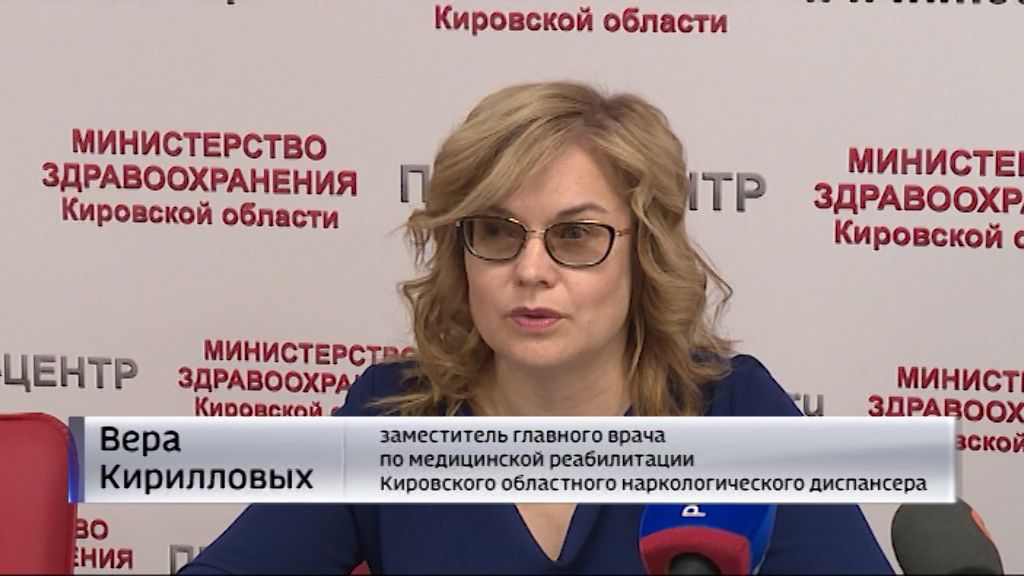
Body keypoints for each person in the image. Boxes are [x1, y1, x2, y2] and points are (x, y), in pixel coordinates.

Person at [180, 82, 893, 574]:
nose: (530, 270)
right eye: (496, 231)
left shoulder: (732, 411)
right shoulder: (390, 413)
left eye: (575, 235)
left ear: (643, 253)